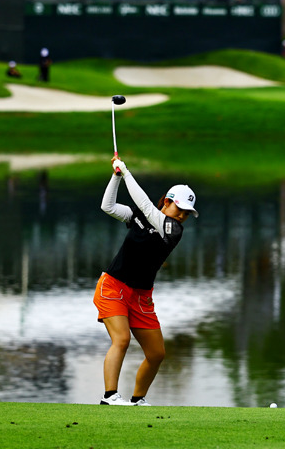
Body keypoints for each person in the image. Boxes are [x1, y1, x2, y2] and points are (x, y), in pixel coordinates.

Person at [94, 157, 198, 406]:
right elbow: (107, 207)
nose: (182, 215)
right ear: (168, 201)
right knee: (121, 340)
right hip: (113, 287)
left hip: (141, 296)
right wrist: (117, 176)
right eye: (179, 209)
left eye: (186, 213)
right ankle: (110, 396)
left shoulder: (173, 230)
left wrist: (127, 172)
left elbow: (149, 209)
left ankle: (138, 399)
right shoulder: (140, 217)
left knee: (156, 353)